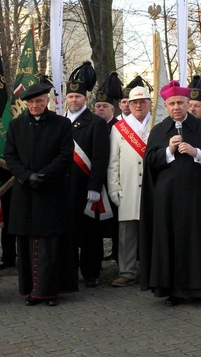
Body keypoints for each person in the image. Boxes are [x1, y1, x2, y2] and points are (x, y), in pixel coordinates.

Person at [140, 80, 201, 306]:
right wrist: (168, 151)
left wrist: (197, 152)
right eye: (171, 103)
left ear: (187, 103)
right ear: (166, 105)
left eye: (180, 103)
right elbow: (150, 162)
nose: (176, 107)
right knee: (171, 242)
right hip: (168, 200)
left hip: (199, 198)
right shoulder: (159, 130)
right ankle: (174, 291)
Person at [4, 81, 77, 306]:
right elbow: (10, 156)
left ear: (47, 101)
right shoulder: (16, 126)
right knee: (27, 243)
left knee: (50, 243)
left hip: (51, 191)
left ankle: (50, 291)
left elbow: (65, 155)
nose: (35, 105)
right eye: (31, 102)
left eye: (39, 101)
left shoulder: (62, 124)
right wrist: (27, 176)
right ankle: (30, 289)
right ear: (26, 104)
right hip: (25, 192)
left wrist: (43, 176)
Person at [64, 64, 110, 288]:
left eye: (78, 96)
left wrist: (95, 186)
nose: (74, 100)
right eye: (71, 96)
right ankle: (69, 271)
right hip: (64, 187)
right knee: (68, 232)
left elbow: (101, 158)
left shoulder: (97, 123)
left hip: (86, 185)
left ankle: (91, 272)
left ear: (85, 98)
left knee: (90, 233)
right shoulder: (59, 122)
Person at [107, 85, 152, 287]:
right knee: (127, 232)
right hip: (127, 186)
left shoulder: (158, 125)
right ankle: (127, 271)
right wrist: (114, 187)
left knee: (154, 230)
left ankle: (153, 269)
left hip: (154, 188)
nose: (139, 106)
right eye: (135, 102)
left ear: (150, 104)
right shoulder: (119, 128)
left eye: (143, 102)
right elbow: (113, 161)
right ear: (129, 105)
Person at [94, 71, 123, 262]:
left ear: (113, 109)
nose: (101, 109)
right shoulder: (91, 125)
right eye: (98, 106)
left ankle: (117, 250)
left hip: (115, 180)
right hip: (96, 179)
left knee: (116, 220)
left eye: (105, 106)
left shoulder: (120, 128)